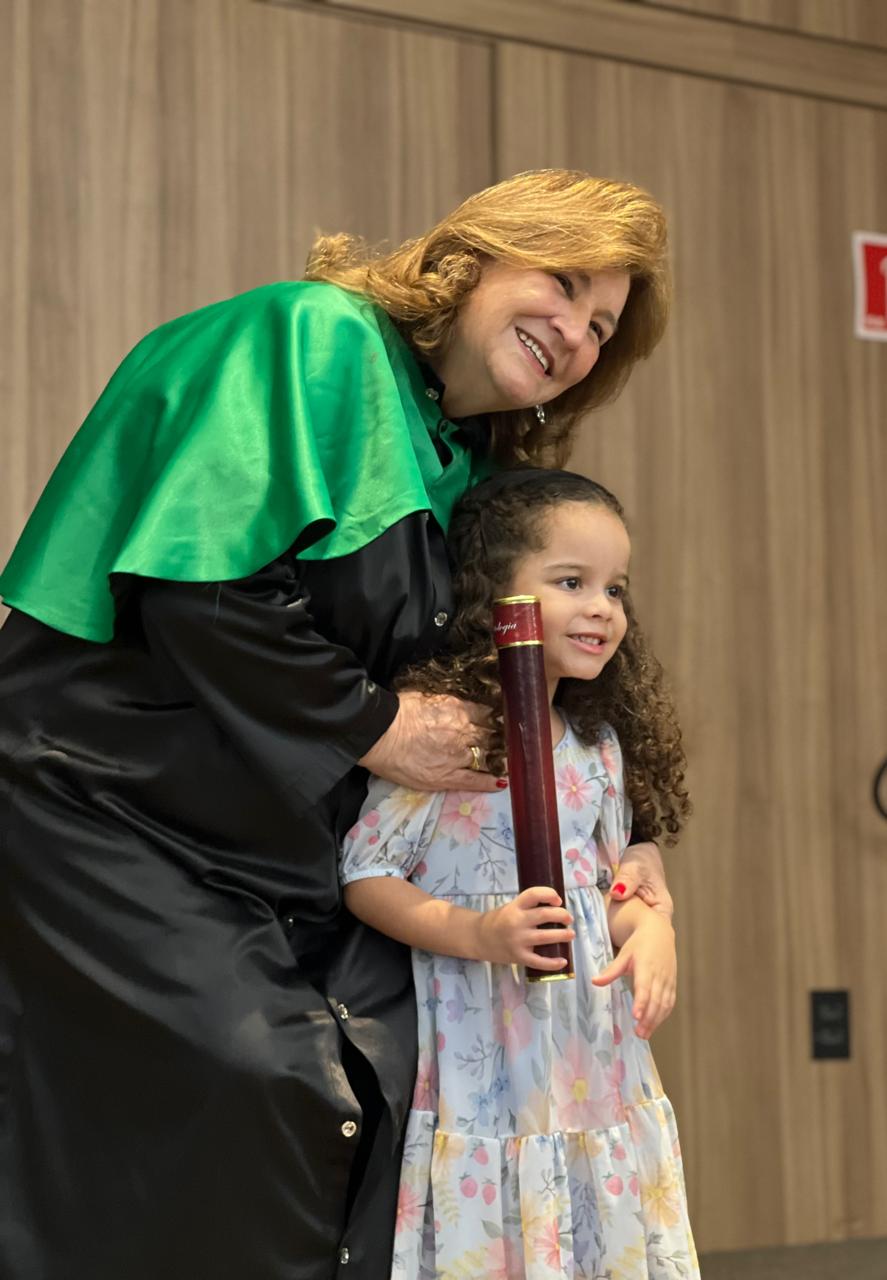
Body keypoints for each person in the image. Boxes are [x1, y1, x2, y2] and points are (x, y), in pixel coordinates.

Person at [0, 171, 674, 1280]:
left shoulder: (474, 464)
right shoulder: (314, 335)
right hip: (104, 800)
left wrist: (635, 849)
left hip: (284, 838)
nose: (575, 332)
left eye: (601, 326)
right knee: (270, 1080)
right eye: (560, 283)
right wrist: (375, 723)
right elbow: (198, 591)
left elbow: (553, 678)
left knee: (409, 1064)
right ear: (469, 259)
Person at [340, 467, 697, 1279]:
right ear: (494, 597)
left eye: (614, 589)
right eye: (571, 582)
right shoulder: (450, 737)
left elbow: (607, 889)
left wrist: (650, 930)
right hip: (488, 1060)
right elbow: (366, 876)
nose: (602, 608)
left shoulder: (597, 748)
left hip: (592, 1059)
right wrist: (478, 932)